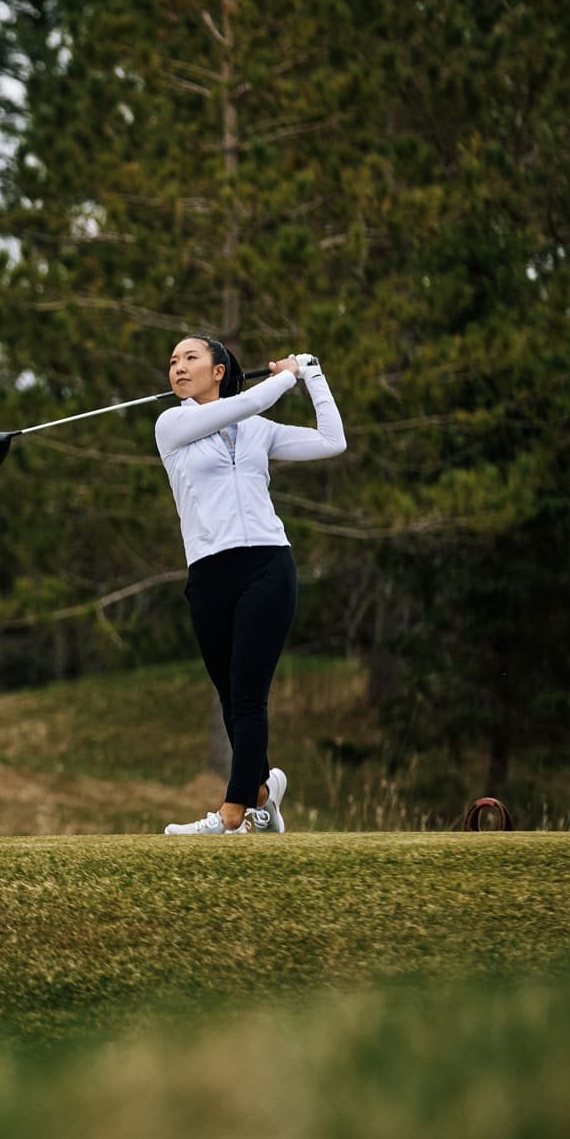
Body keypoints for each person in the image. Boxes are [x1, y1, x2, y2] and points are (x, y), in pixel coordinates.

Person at [155, 337, 345, 836]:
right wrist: (287, 376)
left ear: (219, 370)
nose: (178, 367)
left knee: (248, 697)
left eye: (189, 358)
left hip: (267, 565)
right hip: (209, 573)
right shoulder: (172, 424)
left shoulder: (258, 430)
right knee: (228, 694)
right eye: (172, 362)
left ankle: (232, 814)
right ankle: (262, 789)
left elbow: (332, 441)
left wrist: (313, 374)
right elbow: (248, 401)